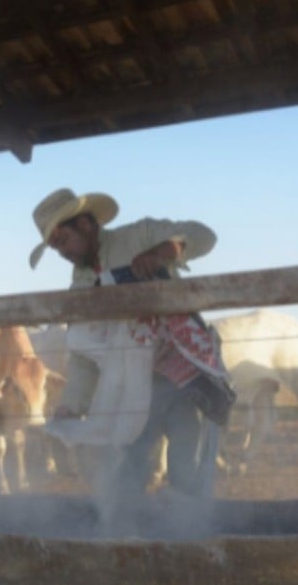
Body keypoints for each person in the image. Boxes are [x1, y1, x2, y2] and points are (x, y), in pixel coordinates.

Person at [29, 187, 233, 504]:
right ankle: (128, 524)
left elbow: (204, 236)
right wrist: (71, 405)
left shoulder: (139, 236)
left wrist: (167, 250)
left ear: (84, 224)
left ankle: (186, 523)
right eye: (55, 247)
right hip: (134, 391)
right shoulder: (80, 286)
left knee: (185, 460)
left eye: (63, 240)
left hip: (182, 377)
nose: (62, 252)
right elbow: (84, 356)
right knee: (130, 464)